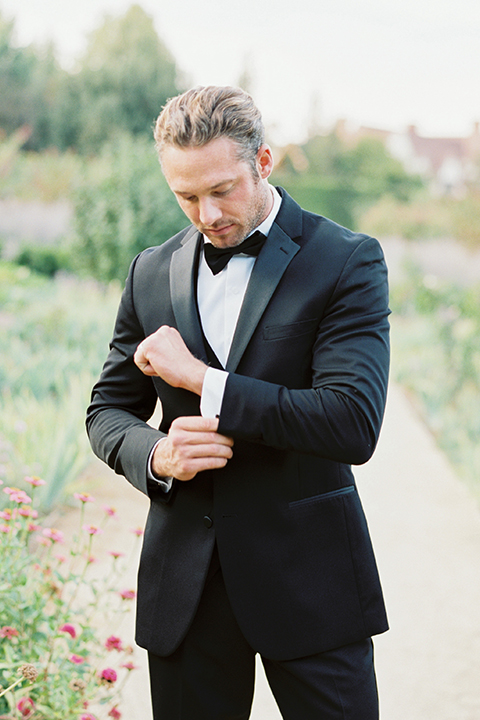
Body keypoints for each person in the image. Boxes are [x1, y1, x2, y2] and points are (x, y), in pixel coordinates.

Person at [86, 85, 390, 720]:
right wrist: (158, 454)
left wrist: (203, 381)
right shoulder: (150, 270)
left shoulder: (346, 261)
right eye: (186, 195)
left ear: (265, 162)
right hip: (185, 593)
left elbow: (351, 423)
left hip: (311, 581)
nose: (207, 212)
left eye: (222, 189)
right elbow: (107, 411)